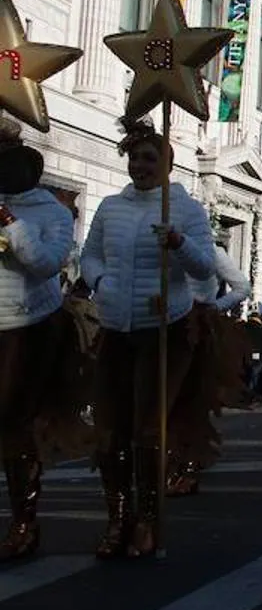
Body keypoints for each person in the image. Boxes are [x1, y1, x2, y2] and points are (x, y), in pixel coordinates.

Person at [80, 118, 216, 558]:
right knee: (110, 429)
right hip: (117, 327)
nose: (140, 165)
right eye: (135, 158)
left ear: (167, 165)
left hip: (165, 329)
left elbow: (204, 268)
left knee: (147, 428)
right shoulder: (109, 206)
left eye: (149, 158)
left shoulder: (186, 210)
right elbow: (90, 255)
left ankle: (149, 520)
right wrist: (100, 282)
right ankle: (117, 518)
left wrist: (178, 243)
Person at [0, 119, 76, 560]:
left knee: (12, 420)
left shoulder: (52, 212)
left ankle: (24, 521)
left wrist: (11, 224)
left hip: (25, 326)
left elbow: (46, 264)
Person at [167, 231, 253, 495]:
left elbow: (242, 287)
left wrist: (214, 307)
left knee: (192, 397)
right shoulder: (161, 247)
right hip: (161, 324)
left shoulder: (212, 252)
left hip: (197, 329)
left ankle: (189, 466)